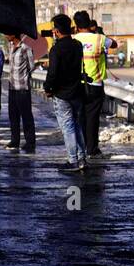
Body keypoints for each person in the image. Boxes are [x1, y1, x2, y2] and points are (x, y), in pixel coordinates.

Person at [43, 13, 86, 172]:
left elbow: (53, 73)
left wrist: (48, 88)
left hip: (62, 93)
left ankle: (72, 160)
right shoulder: (77, 45)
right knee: (76, 125)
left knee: (67, 127)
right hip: (77, 91)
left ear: (56, 31)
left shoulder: (56, 49)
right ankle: (82, 158)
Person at [73, 11, 118, 158]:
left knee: (79, 118)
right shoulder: (99, 39)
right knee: (92, 118)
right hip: (95, 84)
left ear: (76, 25)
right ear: (90, 24)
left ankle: (80, 148)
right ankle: (92, 149)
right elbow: (114, 44)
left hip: (76, 84)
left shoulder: (73, 39)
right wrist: (96, 33)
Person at [4, 32, 37, 152]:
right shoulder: (10, 47)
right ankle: (15, 140)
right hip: (12, 87)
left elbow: (31, 66)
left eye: (8, 33)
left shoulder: (25, 48)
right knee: (13, 116)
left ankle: (30, 142)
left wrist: (24, 76)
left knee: (26, 116)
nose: (6, 35)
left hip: (22, 87)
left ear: (14, 34)